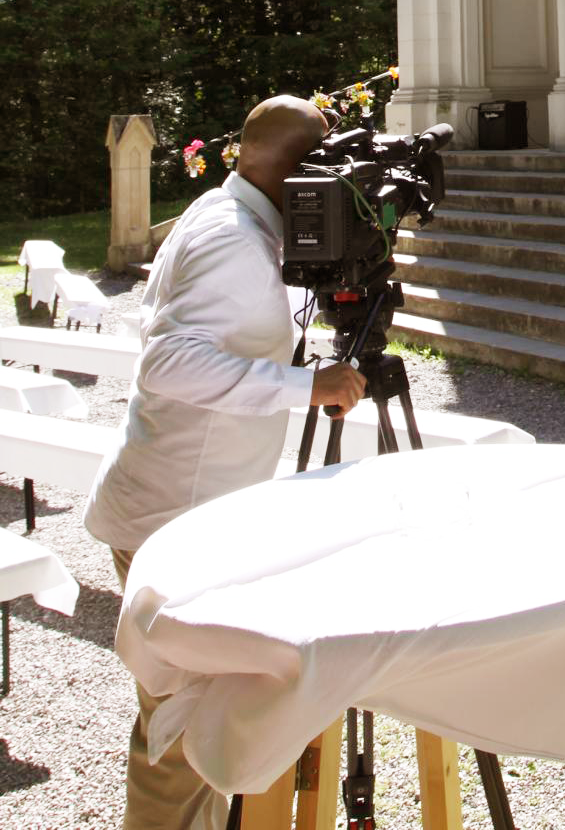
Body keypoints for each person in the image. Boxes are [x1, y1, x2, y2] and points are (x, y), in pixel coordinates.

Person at [86, 94, 367, 830]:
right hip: (173, 517)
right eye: (325, 161)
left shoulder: (227, 213)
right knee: (180, 733)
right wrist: (307, 386)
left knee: (186, 718)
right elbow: (169, 364)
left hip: (183, 503)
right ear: (297, 169)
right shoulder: (234, 240)